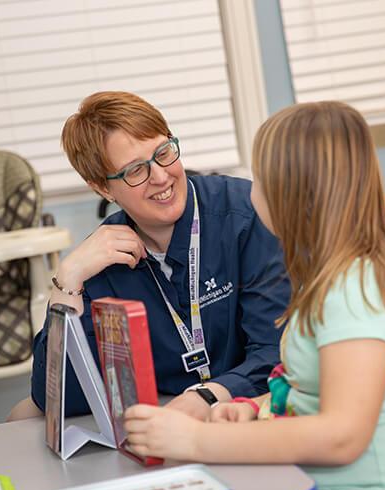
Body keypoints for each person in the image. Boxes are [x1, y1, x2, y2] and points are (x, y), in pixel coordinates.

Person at [123, 101, 385, 490]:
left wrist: (195, 440)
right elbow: (314, 389)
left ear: (292, 194)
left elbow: (342, 436)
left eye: (260, 178)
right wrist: (258, 406)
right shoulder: (332, 279)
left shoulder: (359, 290)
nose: (251, 190)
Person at [26, 91, 290, 420]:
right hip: (163, 422)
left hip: (250, 408)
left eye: (164, 152)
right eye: (136, 171)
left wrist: (208, 396)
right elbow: (61, 397)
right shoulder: (102, 259)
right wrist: (66, 280)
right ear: (103, 188)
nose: (161, 176)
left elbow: (276, 350)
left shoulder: (245, 216)